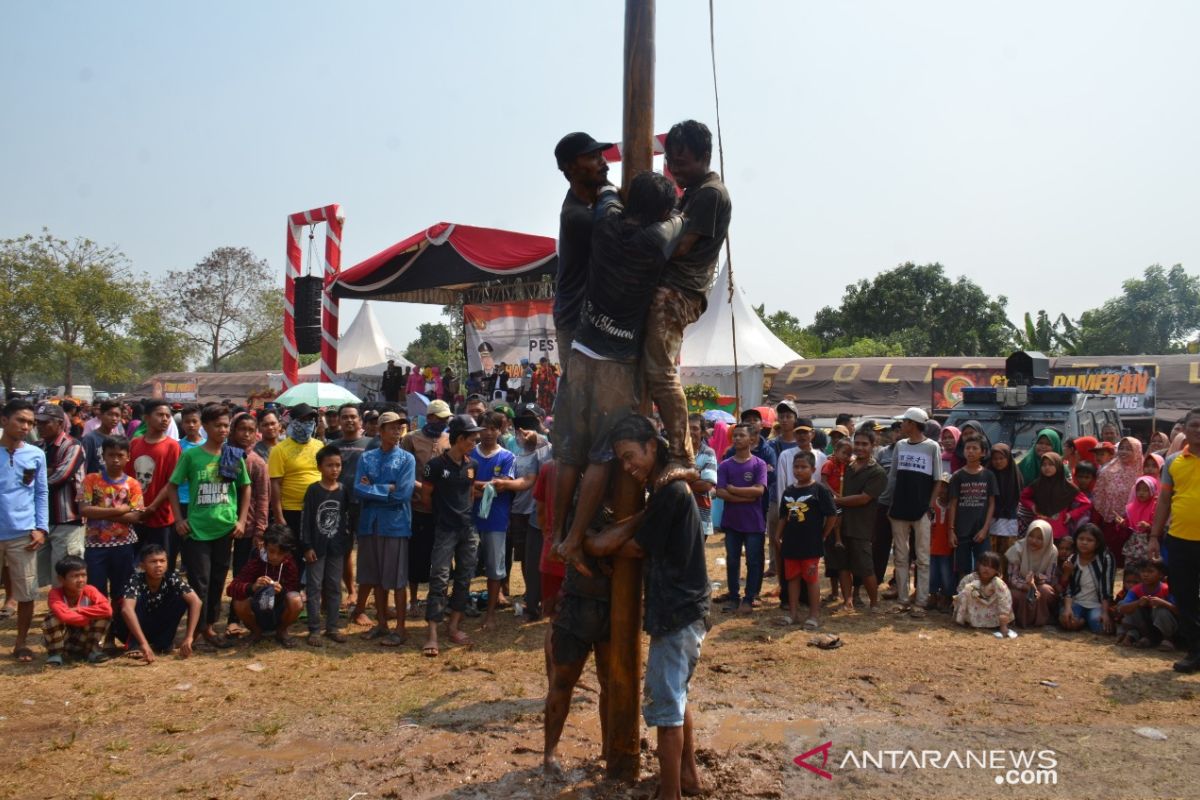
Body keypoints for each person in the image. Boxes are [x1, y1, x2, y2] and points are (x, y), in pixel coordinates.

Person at [551, 171, 686, 577]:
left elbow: (608, 194)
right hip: (616, 365)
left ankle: (557, 535)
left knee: (568, 451)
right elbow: (680, 221)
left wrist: (610, 185)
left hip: (580, 355)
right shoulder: (655, 240)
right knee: (602, 454)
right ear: (661, 211)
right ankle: (574, 540)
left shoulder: (605, 223)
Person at [582, 414, 709, 800]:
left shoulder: (671, 493)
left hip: (677, 611)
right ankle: (686, 778)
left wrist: (600, 540)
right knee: (676, 698)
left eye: (630, 455)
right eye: (621, 460)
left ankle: (670, 794)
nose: (627, 466)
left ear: (652, 446)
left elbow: (635, 548)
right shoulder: (665, 492)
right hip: (682, 609)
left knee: (666, 710)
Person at [645, 119, 732, 472]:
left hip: (678, 291)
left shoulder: (710, 193)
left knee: (662, 374)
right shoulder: (694, 192)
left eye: (681, 162)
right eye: (670, 163)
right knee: (650, 370)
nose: (674, 170)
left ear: (705, 157)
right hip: (672, 288)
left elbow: (680, 247)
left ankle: (682, 455)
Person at [168, 404, 250, 649]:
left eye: (226, 425)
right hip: (197, 531)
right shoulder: (191, 456)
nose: (223, 430)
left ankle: (210, 626)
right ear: (205, 427)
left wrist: (242, 520)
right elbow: (172, 485)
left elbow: (246, 487)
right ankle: (197, 628)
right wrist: (179, 519)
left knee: (216, 580)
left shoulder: (233, 455)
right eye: (218, 426)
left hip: (225, 529)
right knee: (199, 581)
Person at [421, 414, 483, 657]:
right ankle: (433, 633)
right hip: (444, 529)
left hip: (467, 529)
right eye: (472, 438)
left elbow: (469, 493)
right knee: (439, 578)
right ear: (459, 439)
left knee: (465, 576)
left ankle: (454, 625)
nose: (475, 442)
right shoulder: (435, 466)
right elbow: (426, 498)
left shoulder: (472, 466)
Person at [354, 411, 416, 646]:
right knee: (376, 576)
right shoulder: (366, 458)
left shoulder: (407, 459)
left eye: (399, 426)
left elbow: (403, 493)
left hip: (396, 525)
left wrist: (375, 489)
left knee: (397, 578)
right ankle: (382, 623)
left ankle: (400, 628)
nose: (397, 430)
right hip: (370, 524)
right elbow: (358, 489)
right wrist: (386, 488)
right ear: (379, 431)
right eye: (391, 427)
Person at [551, 131, 612, 368]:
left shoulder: (596, 198)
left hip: (594, 318)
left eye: (601, 156)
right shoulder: (576, 215)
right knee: (580, 398)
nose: (603, 163)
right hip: (576, 322)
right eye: (593, 157)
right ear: (571, 167)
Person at [1149, 406, 1200, 672]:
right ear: (1185, 430)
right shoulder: (1173, 462)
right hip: (1179, 540)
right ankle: (1195, 652)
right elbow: (1164, 501)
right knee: (1184, 596)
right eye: (1195, 426)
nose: (1199, 431)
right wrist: (1154, 536)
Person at [0, 399, 48, 663]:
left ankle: (20, 643)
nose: (26, 426)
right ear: (4, 420)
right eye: (21, 420)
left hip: (23, 533)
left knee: (27, 592)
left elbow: (41, 492)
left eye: (30, 422)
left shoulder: (35, 454)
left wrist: (41, 527)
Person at [396, 398, 451, 622]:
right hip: (417, 506)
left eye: (446, 419)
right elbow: (405, 471)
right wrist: (423, 489)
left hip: (442, 508)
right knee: (416, 556)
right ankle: (413, 600)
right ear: (429, 418)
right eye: (440, 418)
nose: (444, 422)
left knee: (441, 557)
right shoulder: (410, 439)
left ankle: (438, 599)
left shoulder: (449, 439)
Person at [78, 435, 143, 625]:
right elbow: (84, 509)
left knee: (121, 591)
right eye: (111, 455)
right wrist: (119, 510)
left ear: (128, 457)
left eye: (120, 455)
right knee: (95, 590)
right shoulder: (91, 480)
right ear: (103, 456)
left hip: (123, 545)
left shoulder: (132, 484)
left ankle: (116, 631)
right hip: (95, 544)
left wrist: (100, 512)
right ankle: (97, 631)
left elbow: (135, 517)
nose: (115, 459)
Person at [887, 407, 942, 616]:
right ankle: (902, 599)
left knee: (923, 558)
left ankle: (921, 601)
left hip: (921, 511)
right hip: (899, 508)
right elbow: (893, 478)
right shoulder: (900, 446)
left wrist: (929, 506)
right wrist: (889, 504)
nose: (902, 425)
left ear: (913, 424)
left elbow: (937, 479)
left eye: (905, 422)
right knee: (900, 557)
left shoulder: (932, 447)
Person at [776, 451, 837, 628]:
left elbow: (832, 515)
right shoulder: (789, 491)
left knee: (811, 579)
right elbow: (783, 516)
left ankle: (814, 615)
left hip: (811, 543)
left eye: (803, 467)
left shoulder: (819, 490)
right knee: (792, 578)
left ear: (813, 469)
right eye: (796, 466)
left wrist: (824, 534)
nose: (799, 470)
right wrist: (777, 535)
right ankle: (793, 614)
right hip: (790, 543)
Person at [224, 412, 271, 637]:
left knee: (243, 573)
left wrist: (260, 530)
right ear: (233, 431)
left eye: (251, 431)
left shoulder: (257, 462)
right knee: (221, 571)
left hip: (249, 527)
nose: (246, 434)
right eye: (242, 429)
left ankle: (236, 618)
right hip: (221, 523)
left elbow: (263, 498)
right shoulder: (224, 456)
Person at [301, 445, 352, 646]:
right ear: (320, 467)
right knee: (314, 587)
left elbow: (346, 519)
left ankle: (332, 626)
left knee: (334, 587)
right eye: (329, 465)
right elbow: (305, 521)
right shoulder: (313, 491)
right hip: (316, 548)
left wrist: (346, 543)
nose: (334, 469)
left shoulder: (343, 491)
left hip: (336, 548)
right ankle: (314, 629)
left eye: (338, 465)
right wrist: (307, 546)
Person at [115, 543, 202, 662]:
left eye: (162, 561)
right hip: (133, 629)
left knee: (180, 599)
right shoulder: (135, 580)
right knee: (135, 600)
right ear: (142, 566)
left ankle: (163, 642)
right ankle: (135, 644)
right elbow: (126, 610)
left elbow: (196, 602)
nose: (158, 565)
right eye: (153, 562)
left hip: (157, 625)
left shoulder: (172, 578)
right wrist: (143, 643)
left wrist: (189, 637)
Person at [325, 404, 374, 610]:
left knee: (366, 551)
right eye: (344, 417)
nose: (349, 420)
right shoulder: (332, 446)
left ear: (360, 420)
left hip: (365, 505)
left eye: (353, 417)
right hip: (340, 506)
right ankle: (351, 591)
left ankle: (365, 595)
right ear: (338, 420)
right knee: (343, 551)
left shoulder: (372, 444)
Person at [715, 424, 768, 614]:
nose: (737, 439)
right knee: (732, 561)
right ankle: (734, 596)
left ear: (751, 439)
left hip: (754, 522)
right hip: (732, 522)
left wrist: (734, 490)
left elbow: (759, 491)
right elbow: (720, 491)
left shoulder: (759, 464)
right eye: (734, 435)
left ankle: (750, 597)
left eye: (741, 436)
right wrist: (745, 497)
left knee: (753, 561)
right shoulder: (725, 465)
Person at [834, 427, 888, 612]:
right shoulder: (847, 466)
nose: (860, 447)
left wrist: (837, 501)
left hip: (862, 526)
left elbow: (864, 498)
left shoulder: (878, 472)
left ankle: (874, 603)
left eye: (865, 444)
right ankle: (847, 601)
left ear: (873, 446)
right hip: (842, 525)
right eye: (857, 443)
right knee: (843, 566)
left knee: (865, 568)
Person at [34, 402, 86, 588]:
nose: (39, 426)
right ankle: (56, 610)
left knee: (66, 575)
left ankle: (65, 614)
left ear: (59, 423)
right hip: (41, 521)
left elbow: (59, 477)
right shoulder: (37, 446)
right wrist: (44, 473)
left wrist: (37, 476)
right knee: (40, 576)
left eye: (45, 422)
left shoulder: (73, 446)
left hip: (67, 520)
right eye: (37, 422)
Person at [226, 524, 304, 647]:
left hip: (279, 612)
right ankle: (256, 632)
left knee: (296, 600)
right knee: (239, 602)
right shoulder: (257, 561)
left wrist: (282, 591)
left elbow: (294, 589)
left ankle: (282, 631)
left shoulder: (289, 563)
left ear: (287, 552)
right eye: (271, 551)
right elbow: (231, 589)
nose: (274, 557)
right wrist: (252, 587)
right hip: (257, 613)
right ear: (265, 545)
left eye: (280, 553)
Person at [127, 400, 181, 568]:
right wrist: (134, 508)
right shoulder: (135, 444)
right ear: (147, 418)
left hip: (161, 516)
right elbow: (128, 478)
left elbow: (172, 482)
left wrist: (152, 507)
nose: (165, 419)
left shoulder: (172, 446)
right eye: (160, 415)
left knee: (162, 566)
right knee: (132, 564)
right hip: (135, 515)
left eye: (167, 416)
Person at [269, 403, 323, 568]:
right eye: (302, 420)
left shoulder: (319, 446)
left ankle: (310, 590)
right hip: (291, 510)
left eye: (310, 420)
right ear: (292, 422)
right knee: (293, 556)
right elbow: (275, 484)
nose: (307, 423)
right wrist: (279, 516)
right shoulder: (279, 449)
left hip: (316, 509)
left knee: (314, 553)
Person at [511, 406, 552, 620]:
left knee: (541, 557)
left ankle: (543, 600)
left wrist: (538, 437)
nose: (524, 428)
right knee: (527, 557)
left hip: (539, 511)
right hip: (519, 510)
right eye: (521, 424)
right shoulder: (512, 444)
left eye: (530, 422)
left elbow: (534, 482)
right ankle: (531, 595)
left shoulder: (548, 447)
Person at [42, 555, 112, 665]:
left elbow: (107, 610)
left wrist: (77, 610)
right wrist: (88, 618)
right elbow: (64, 616)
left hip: (84, 637)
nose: (80, 580)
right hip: (64, 639)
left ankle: (93, 651)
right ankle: (56, 654)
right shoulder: (55, 594)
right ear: (61, 579)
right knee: (52, 617)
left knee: (104, 616)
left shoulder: (90, 590)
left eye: (83, 575)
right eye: (74, 576)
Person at [948, 437, 998, 580]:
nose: (970, 451)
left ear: (983, 452)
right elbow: (953, 504)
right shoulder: (957, 476)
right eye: (967, 448)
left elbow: (992, 503)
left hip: (981, 531)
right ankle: (964, 597)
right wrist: (951, 530)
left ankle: (982, 599)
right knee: (962, 568)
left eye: (975, 448)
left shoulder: (988, 476)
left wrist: (985, 529)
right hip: (961, 530)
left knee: (984, 566)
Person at [1093, 436, 1144, 565]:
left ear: (1137, 451)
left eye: (1129, 449)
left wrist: (1129, 517)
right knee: (1111, 558)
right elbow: (1099, 495)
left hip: (1135, 525)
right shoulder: (1108, 470)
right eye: (1121, 448)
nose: (1124, 452)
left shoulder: (1143, 472)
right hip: (1110, 522)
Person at [1018, 453, 1092, 540]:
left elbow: (1087, 503)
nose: (1047, 468)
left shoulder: (1068, 487)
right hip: (1039, 528)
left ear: (1058, 466)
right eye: (1044, 465)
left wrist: (1071, 515)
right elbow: (1023, 497)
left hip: (1058, 529)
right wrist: (1032, 506)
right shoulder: (1037, 485)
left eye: (1051, 464)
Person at [1060, 523, 1115, 634]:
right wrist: (1068, 608)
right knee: (1065, 620)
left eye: (1089, 540)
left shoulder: (1106, 558)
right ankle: (1082, 621)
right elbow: (1069, 588)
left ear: (1097, 543)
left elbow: (1106, 588)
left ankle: (1084, 622)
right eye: (1081, 539)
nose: (1084, 543)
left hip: (1097, 604)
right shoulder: (1073, 558)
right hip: (1077, 602)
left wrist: (1105, 612)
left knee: (1102, 628)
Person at [1005, 520, 1060, 628]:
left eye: (1040, 538)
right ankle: (1018, 621)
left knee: (1046, 591)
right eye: (1031, 536)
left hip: (1039, 584)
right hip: (1019, 586)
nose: (1034, 541)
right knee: (1015, 596)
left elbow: (1050, 577)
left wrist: (1036, 579)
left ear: (1047, 539)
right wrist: (1027, 586)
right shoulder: (1017, 549)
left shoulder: (1052, 551)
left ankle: (1042, 620)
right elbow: (1013, 578)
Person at [1115, 557, 1177, 649]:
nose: (1145, 575)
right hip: (1146, 624)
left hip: (1166, 625)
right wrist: (1138, 602)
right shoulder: (1135, 590)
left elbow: (1179, 610)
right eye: (1143, 571)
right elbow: (1122, 609)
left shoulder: (1166, 589)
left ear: (1160, 575)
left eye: (1150, 571)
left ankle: (1168, 639)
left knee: (1161, 611)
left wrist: (1163, 603)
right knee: (1130, 607)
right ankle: (1147, 637)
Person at [952, 552, 1015, 639]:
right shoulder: (971, 578)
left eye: (991, 567)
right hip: (975, 606)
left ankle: (994, 624)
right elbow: (960, 590)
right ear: (978, 565)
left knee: (1002, 599)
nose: (987, 569)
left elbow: (1004, 599)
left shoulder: (997, 582)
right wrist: (973, 591)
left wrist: (1003, 625)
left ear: (996, 570)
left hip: (992, 609)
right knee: (967, 589)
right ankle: (967, 621)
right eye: (984, 565)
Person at [988, 443, 1023, 572]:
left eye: (1001, 458)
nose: (998, 462)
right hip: (991, 519)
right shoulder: (988, 474)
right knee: (992, 554)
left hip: (1009, 520)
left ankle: (1006, 584)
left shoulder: (1015, 475)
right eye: (995, 458)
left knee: (1007, 554)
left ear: (1008, 459)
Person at [927, 475, 954, 612]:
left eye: (946, 487)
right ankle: (933, 595)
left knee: (946, 574)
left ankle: (946, 596)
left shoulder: (953, 507)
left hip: (947, 548)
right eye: (940, 487)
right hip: (932, 547)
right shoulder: (932, 505)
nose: (943, 490)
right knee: (932, 573)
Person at [688, 414, 718, 538]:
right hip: (678, 516)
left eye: (695, 428)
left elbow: (706, 485)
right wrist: (695, 477)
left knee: (695, 557)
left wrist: (679, 480)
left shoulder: (708, 453)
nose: (690, 432)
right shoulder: (677, 452)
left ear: (703, 432)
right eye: (687, 428)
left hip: (700, 517)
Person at [1121, 475, 1158, 565]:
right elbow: (1130, 524)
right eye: (1138, 490)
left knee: (1147, 567)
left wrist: (1148, 526)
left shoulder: (1156, 506)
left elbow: (1160, 525)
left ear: (1152, 490)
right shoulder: (1132, 506)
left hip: (1149, 542)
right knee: (1131, 567)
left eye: (1145, 490)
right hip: (1134, 545)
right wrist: (1122, 522)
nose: (1141, 493)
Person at [81, 399, 123, 477]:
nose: (114, 418)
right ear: (101, 415)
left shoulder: (119, 439)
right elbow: (83, 466)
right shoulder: (90, 439)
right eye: (110, 414)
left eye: (117, 415)